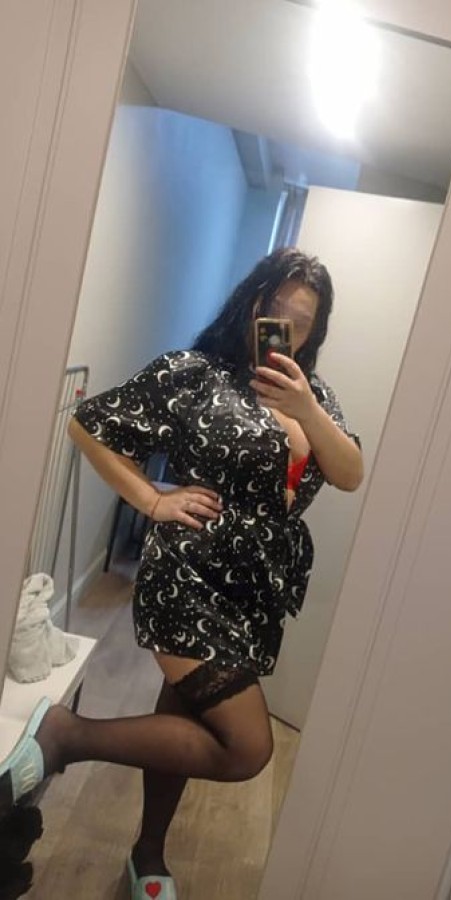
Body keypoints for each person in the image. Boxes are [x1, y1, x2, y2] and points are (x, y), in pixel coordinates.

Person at [0, 248, 363, 899]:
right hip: (190, 576)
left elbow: (349, 473)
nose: (285, 323)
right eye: (276, 306)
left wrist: (307, 409)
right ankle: (65, 735)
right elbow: (90, 425)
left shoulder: (315, 397)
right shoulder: (195, 374)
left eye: (302, 318)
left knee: (185, 716)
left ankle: (148, 853)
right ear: (251, 302)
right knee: (245, 747)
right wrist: (152, 499)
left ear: (316, 330)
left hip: (254, 592)